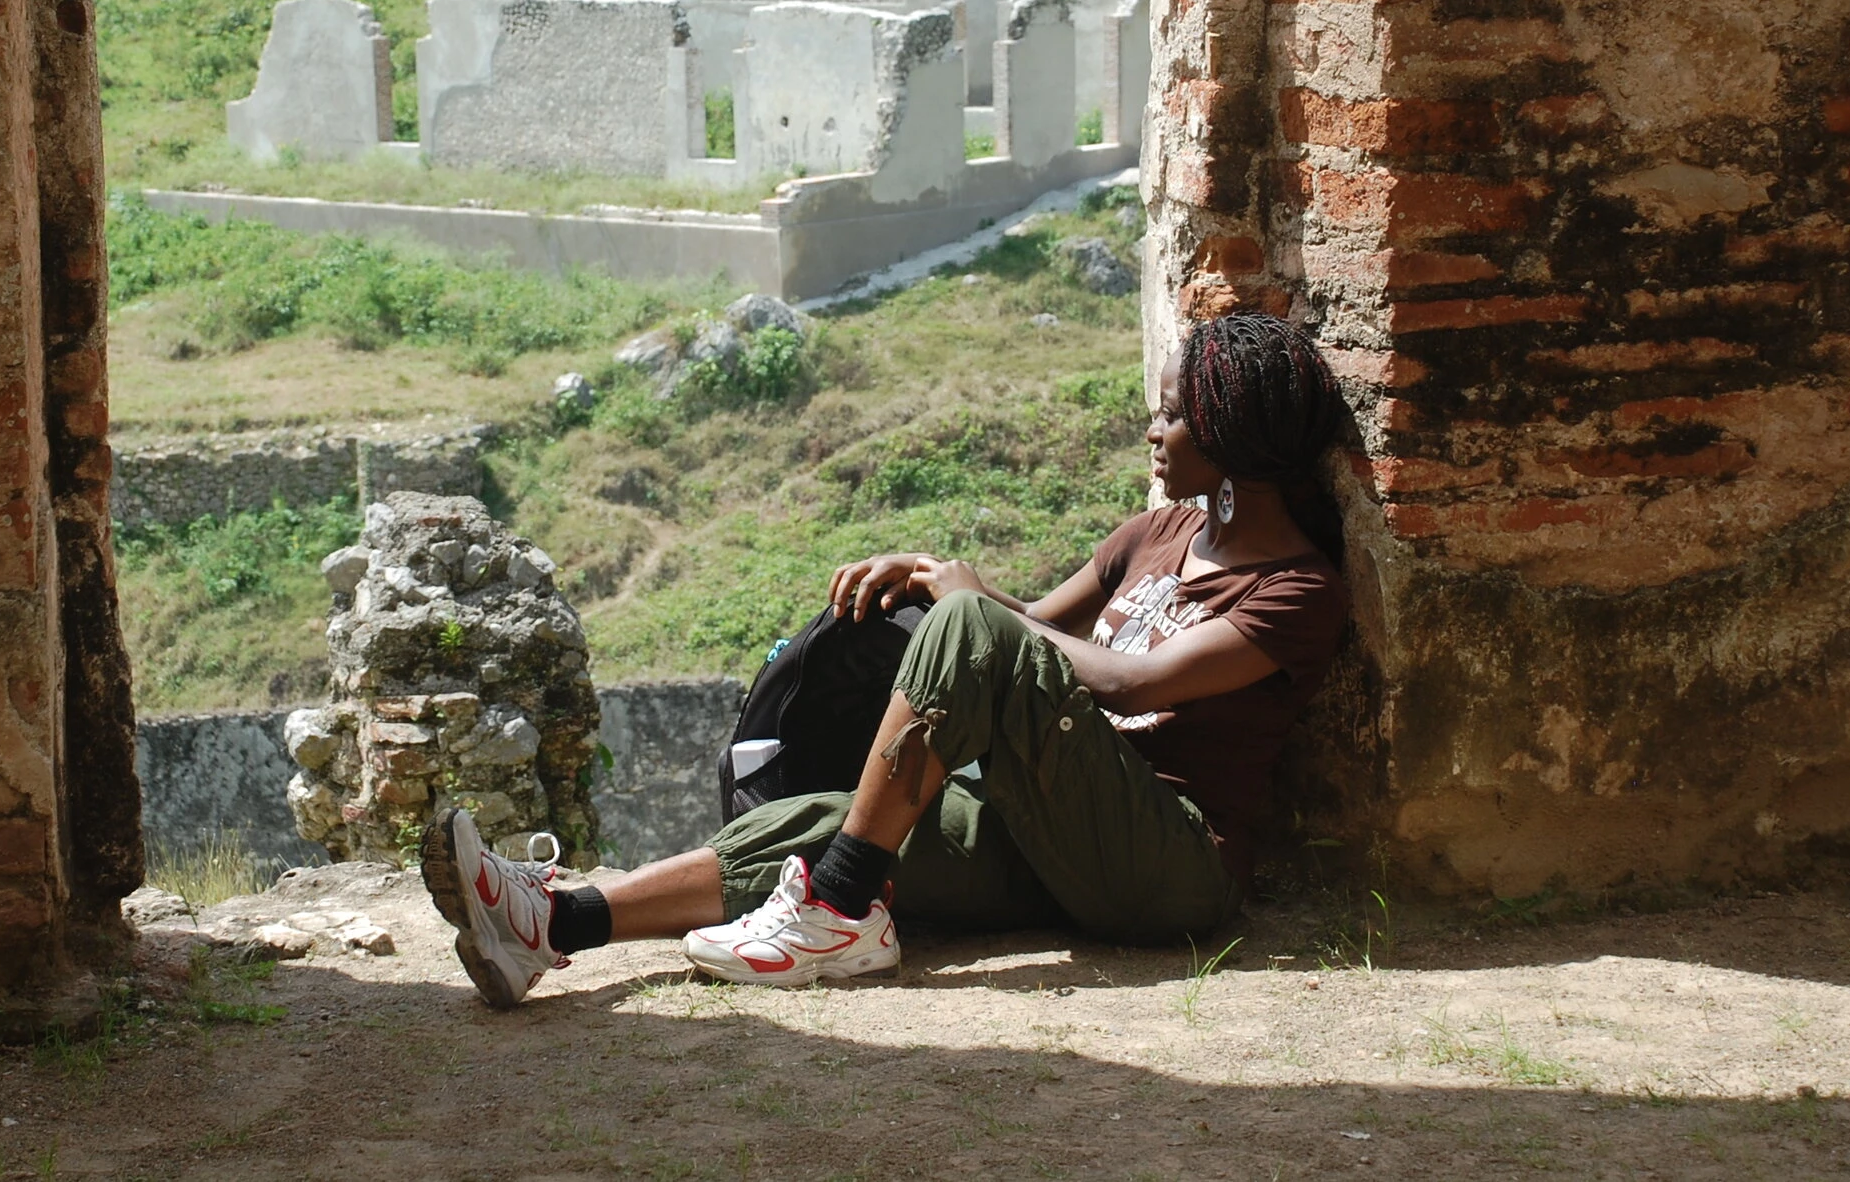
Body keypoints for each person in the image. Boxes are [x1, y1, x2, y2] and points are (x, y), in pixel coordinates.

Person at [422, 310, 1351, 1009]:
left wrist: (971, 600)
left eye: (1176, 414)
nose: (1155, 430)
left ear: (1230, 442)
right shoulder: (1155, 532)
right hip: (1051, 825)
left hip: (1166, 865)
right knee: (819, 819)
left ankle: (834, 918)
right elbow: (1028, 628)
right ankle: (550, 924)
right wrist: (929, 581)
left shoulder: (1299, 591)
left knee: (971, 630)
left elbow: (1125, 680)